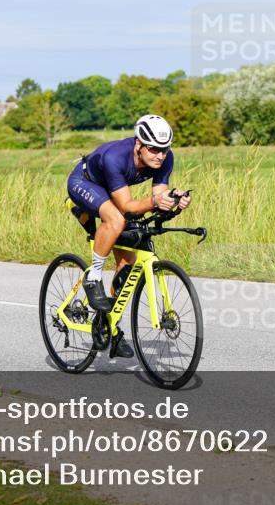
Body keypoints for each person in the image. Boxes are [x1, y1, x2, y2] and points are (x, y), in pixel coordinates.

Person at [66, 115, 192, 358]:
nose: (160, 155)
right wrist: (154, 201)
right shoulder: (115, 157)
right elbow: (126, 205)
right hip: (84, 183)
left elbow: (158, 194)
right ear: (138, 144)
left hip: (112, 191)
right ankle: (93, 276)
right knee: (116, 220)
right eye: (154, 149)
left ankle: (108, 325)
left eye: (164, 150)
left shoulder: (165, 159)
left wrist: (173, 199)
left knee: (128, 262)